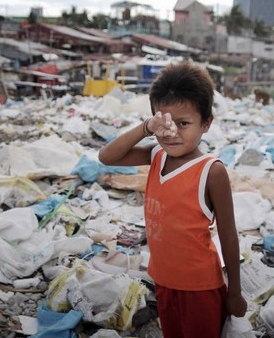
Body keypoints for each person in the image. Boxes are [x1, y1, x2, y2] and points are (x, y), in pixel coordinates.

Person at [98, 61, 247, 337]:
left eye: (184, 123)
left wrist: (235, 292)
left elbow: (228, 234)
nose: (172, 132)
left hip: (200, 287)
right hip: (163, 280)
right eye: (165, 122)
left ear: (206, 123)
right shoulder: (156, 155)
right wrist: (146, 127)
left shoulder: (211, 172)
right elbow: (107, 157)